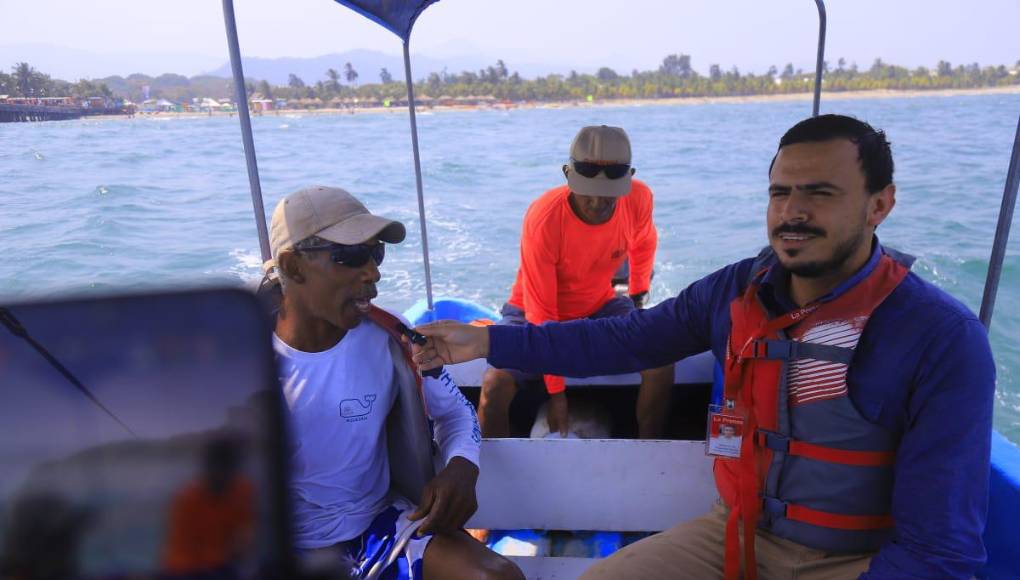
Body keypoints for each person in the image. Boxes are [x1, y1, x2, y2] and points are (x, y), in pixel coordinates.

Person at [409, 115, 996, 579]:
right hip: (734, 535)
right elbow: (625, 339)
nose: (792, 211)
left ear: (879, 205)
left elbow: (938, 551)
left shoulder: (939, 338)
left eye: (820, 193)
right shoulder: (735, 292)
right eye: (780, 192)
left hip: (857, 559)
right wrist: (488, 340)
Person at [265, 186, 522, 580]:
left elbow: (455, 411)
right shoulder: (240, 358)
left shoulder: (393, 339)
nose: (373, 272)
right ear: (294, 266)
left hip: (378, 525)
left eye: (376, 253)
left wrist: (461, 465)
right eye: (351, 256)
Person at [480, 125, 674, 438]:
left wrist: (638, 296)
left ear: (628, 179)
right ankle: (487, 466)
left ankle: (650, 453)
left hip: (599, 305)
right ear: (567, 175)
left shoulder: (639, 198)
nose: (597, 203)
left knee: (661, 359)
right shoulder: (544, 218)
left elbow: (644, 243)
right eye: (588, 191)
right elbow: (542, 315)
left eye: (608, 195)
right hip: (530, 312)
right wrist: (557, 394)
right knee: (494, 385)